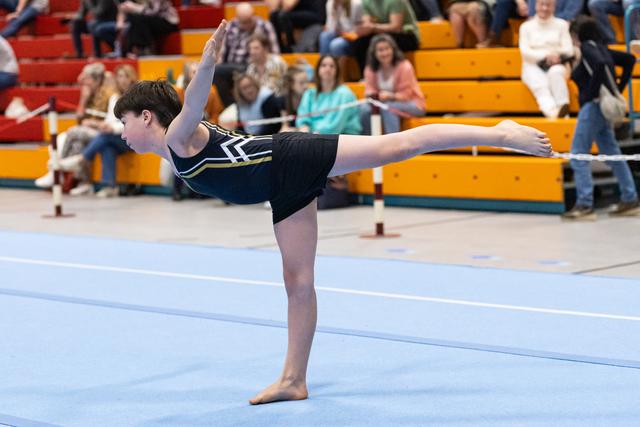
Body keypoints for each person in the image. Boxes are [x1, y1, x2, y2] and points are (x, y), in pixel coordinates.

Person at [114, 20, 553, 405]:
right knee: (298, 282)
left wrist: (207, 64)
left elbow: (191, 104)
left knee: (397, 146)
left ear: (148, 117)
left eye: (125, 121)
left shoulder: (176, 138)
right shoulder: (170, 155)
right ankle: (293, 380)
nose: (122, 132)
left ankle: (499, 133)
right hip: (280, 190)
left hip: (290, 158)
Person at [562, 16, 639, 219]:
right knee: (612, 154)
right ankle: (629, 198)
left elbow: (600, 64)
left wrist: (592, 93)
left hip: (592, 108)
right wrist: (618, 89)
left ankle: (585, 204)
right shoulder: (600, 46)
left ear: (577, 34)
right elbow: (630, 60)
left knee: (578, 155)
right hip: (601, 110)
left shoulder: (587, 48)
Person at [58, 65, 138, 197]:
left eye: (125, 76)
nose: (122, 80)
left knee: (105, 137)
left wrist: (112, 128)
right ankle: (110, 186)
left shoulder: (138, 97)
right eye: (119, 76)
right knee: (106, 146)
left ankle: (81, 160)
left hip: (134, 138)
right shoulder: (115, 97)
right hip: (117, 136)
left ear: (131, 78)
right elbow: (111, 119)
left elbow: (135, 125)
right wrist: (106, 125)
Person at [35, 62, 114, 193]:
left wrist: (92, 123)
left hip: (104, 133)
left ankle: (57, 170)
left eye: (87, 79)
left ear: (97, 79)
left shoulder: (109, 93)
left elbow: (110, 119)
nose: (84, 83)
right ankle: (85, 183)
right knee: (78, 143)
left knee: (72, 131)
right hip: (87, 132)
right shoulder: (89, 94)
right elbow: (79, 119)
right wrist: (83, 99)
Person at [214, 2, 280, 107]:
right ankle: (231, 106)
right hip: (231, 67)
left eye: (249, 20)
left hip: (252, 65)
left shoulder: (265, 26)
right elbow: (223, 54)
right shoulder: (231, 27)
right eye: (243, 22)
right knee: (216, 71)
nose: (247, 25)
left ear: (254, 15)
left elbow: (275, 53)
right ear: (237, 19)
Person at [359, 34, 425, 134]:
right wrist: (373, 95)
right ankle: (368, 141)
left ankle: (393, 145)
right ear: (374, 53)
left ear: (393, 49)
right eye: (380, 50)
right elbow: (369, 89)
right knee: (363, 108)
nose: (384, 53)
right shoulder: (370, 68)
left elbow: (406, 94)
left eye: (387, 48)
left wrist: (390, 96)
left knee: (389, 108)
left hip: (412, 103)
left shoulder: (404, 66)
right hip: (382, 102)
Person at [519, 0, 574, 119]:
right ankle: (554, 113)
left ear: (554, 7)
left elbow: (569, 49)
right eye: (541, 4)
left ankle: (563, 108)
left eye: (548, 5)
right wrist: (546, 55)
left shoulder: (562, 24)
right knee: (540, 85)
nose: (544, 8)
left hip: (557, 63)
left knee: (556, 73)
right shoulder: (526, 27)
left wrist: (555, 56)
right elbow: (525, 52)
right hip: (532, 65)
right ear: (536, 6)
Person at [296, 55, 361, 135]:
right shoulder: (309, 93)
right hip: (313, 136)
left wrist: (313, 135)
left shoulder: (345, 94)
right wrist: (304, 130)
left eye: (332, 66)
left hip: (342, 137)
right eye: (323, 65)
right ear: (318, 70)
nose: (328, 68)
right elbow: (303, 118)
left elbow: (336, 125)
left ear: (337, 71)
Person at [353, 0, 420, 72]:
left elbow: (396, 27)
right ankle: (367, 75)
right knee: (360, 43)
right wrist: (362, 29)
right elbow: (367, 24)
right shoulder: (366, 2)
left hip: (406, 34)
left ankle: (395, 74)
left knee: (386, 42)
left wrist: (372, 27)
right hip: (380, 33)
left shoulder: (395, 1)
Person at [278, 65, 309, 131]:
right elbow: (285, 126)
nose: (306, 86)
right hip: (296, 132)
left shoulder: (311, 97)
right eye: (301, 83)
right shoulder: (284, 100)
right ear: (291, 85)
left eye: (307, 81)